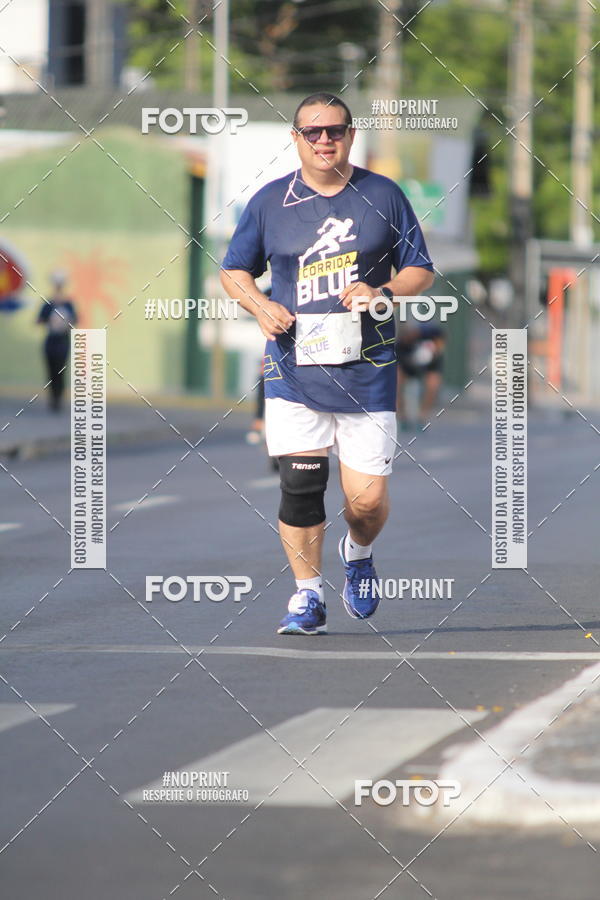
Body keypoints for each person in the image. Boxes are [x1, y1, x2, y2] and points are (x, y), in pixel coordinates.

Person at [220, 92, 434, 635]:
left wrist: (381, 289)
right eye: (312, 132)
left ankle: (357, 554)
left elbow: (421, 271)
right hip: (295, 369)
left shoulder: (383, 195)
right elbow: (234, 271)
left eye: (334, 131)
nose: (324, 141)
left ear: (351, 135)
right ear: (295, 139)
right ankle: (307, 595)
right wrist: (261, 305)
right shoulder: (270, 202)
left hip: (368, 368)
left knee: (366, 502)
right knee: (301, 483)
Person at [37, 270, 77, 412]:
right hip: (51, 342)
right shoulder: (49, 304)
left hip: (63, 342)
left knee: (60, 371)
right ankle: (53, 398)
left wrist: (65, 322)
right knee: (51, 371)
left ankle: (58, 399)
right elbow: (39, 320)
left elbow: (75, 321)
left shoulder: (68, 304)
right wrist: (50, 320)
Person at [396, 322, 446, 429]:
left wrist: (434, 351)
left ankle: (422, 417)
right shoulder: (400, 345)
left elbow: (441, 344)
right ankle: (402, 416)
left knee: (434, 382)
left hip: (429, 364)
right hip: (408, 365)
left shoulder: (432, 333)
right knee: (396, 380)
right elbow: (399, 363)